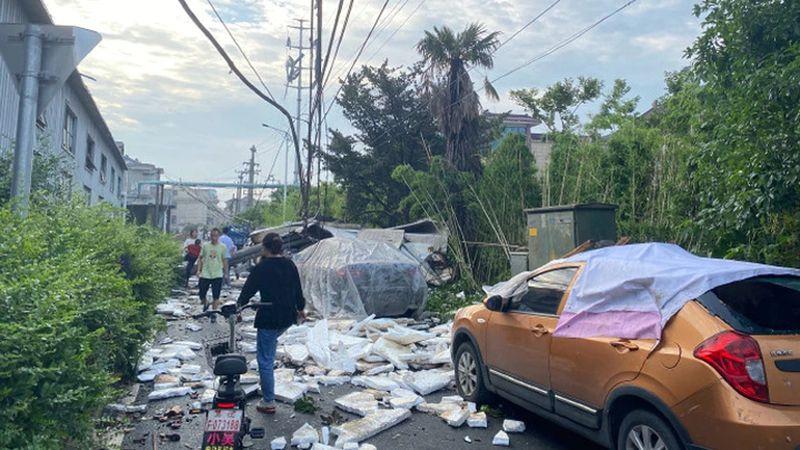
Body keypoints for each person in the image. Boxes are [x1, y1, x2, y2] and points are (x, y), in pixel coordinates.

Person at [237, 233, 305, 414]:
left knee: (265, 360)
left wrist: (238, 307)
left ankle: (268, 401)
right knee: (270, 345)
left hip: (269, 316)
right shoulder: (290, 264)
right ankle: (268, 392)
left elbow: (248, 290)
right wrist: (301, 309)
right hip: (287, 316)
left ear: (265, 248)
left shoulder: (262, 267)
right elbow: (298, 289)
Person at [196, 228, 228, 322]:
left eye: (216, 236)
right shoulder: (205, 246)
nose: (214, 238)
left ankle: (214, 312)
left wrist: (226, 273)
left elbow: (225, 260)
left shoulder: (223, 247)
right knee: (201, 294)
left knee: (216, 296)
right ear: (210, 236)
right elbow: (200, 258)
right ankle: (205, 303)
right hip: (206, 273)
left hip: (217, 273)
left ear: (219, 236)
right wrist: (198, 270)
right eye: (212, 235)